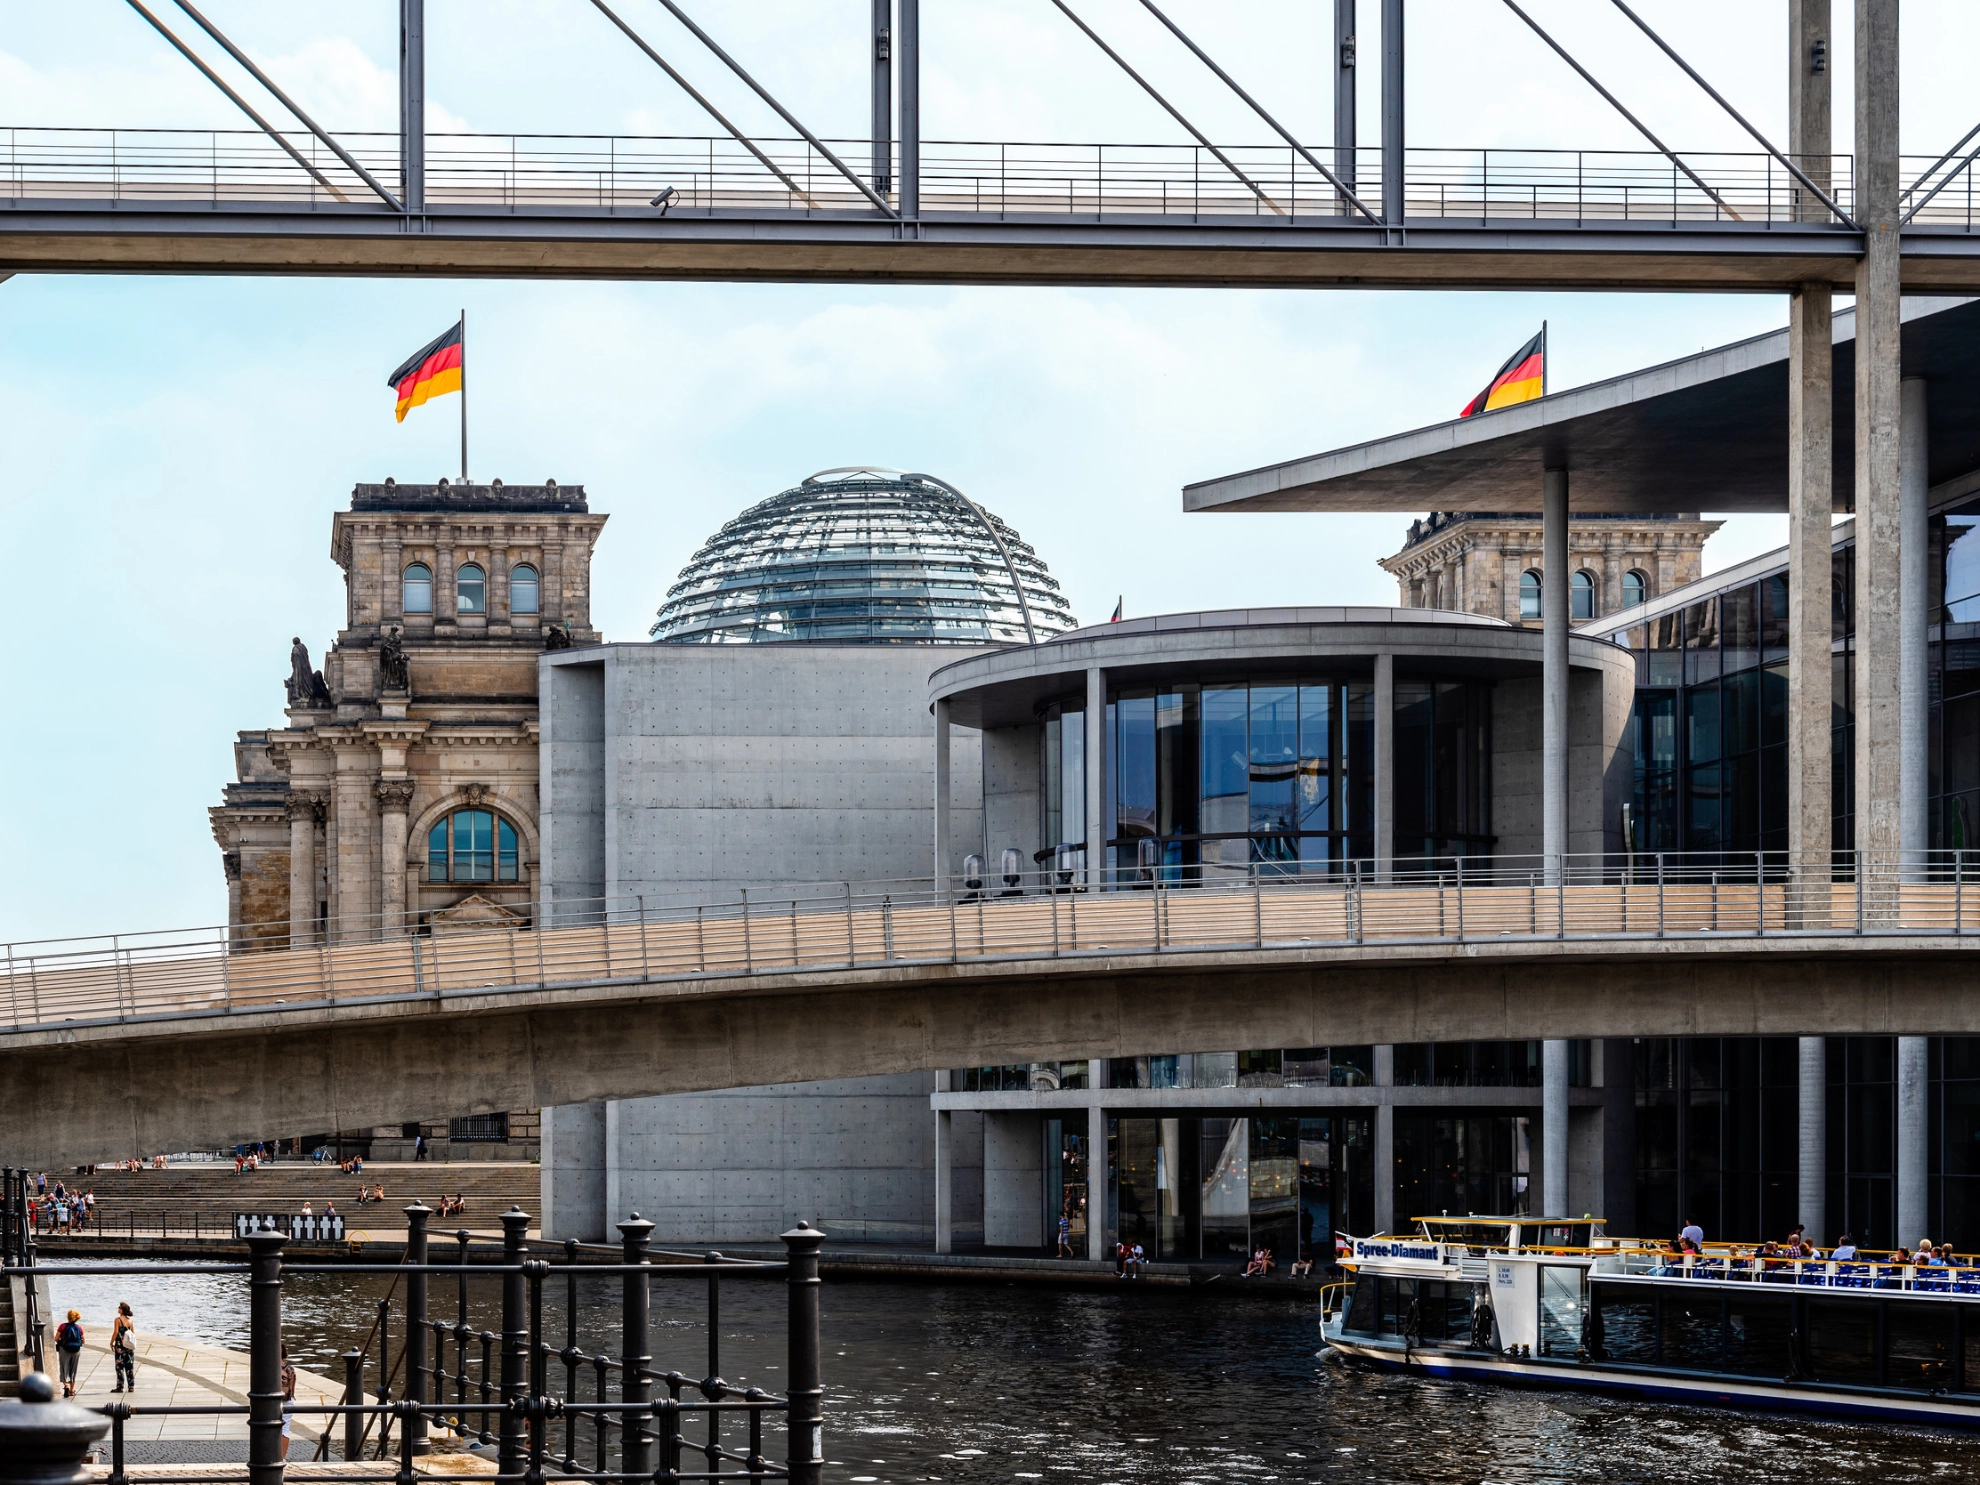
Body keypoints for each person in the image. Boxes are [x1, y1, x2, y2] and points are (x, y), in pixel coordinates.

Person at [55, 1310, 84, 1398]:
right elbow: (83, 1341)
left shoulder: (62, 1326)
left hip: (64, 1349)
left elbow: (56, 1338)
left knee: (64, 1367)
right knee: (73, 1369)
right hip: (76, 1350)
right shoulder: (79, 1327)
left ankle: (66, 1386)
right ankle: (72, 1390)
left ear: (68, 1317)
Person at [111, 1303, 137, 1393]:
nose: (118, 1309)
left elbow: (115, 1332)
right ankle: (131, 1386)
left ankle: (120, 1386)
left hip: (120, 1346)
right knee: (130, 1366)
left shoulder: (117, 1320)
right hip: (129, 1347)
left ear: (121, 1310)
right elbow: (133, 1333)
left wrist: (111, 1342)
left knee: (120, 1367)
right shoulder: (130, 1321)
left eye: (119, 1307)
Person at [279, 1344, 298, 1460]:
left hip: (272, 1401)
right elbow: (292, 1389)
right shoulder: (290, 1369)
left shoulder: (269, 1367)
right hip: (287, 1401)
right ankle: (282, 1457)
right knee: (285, 1430)